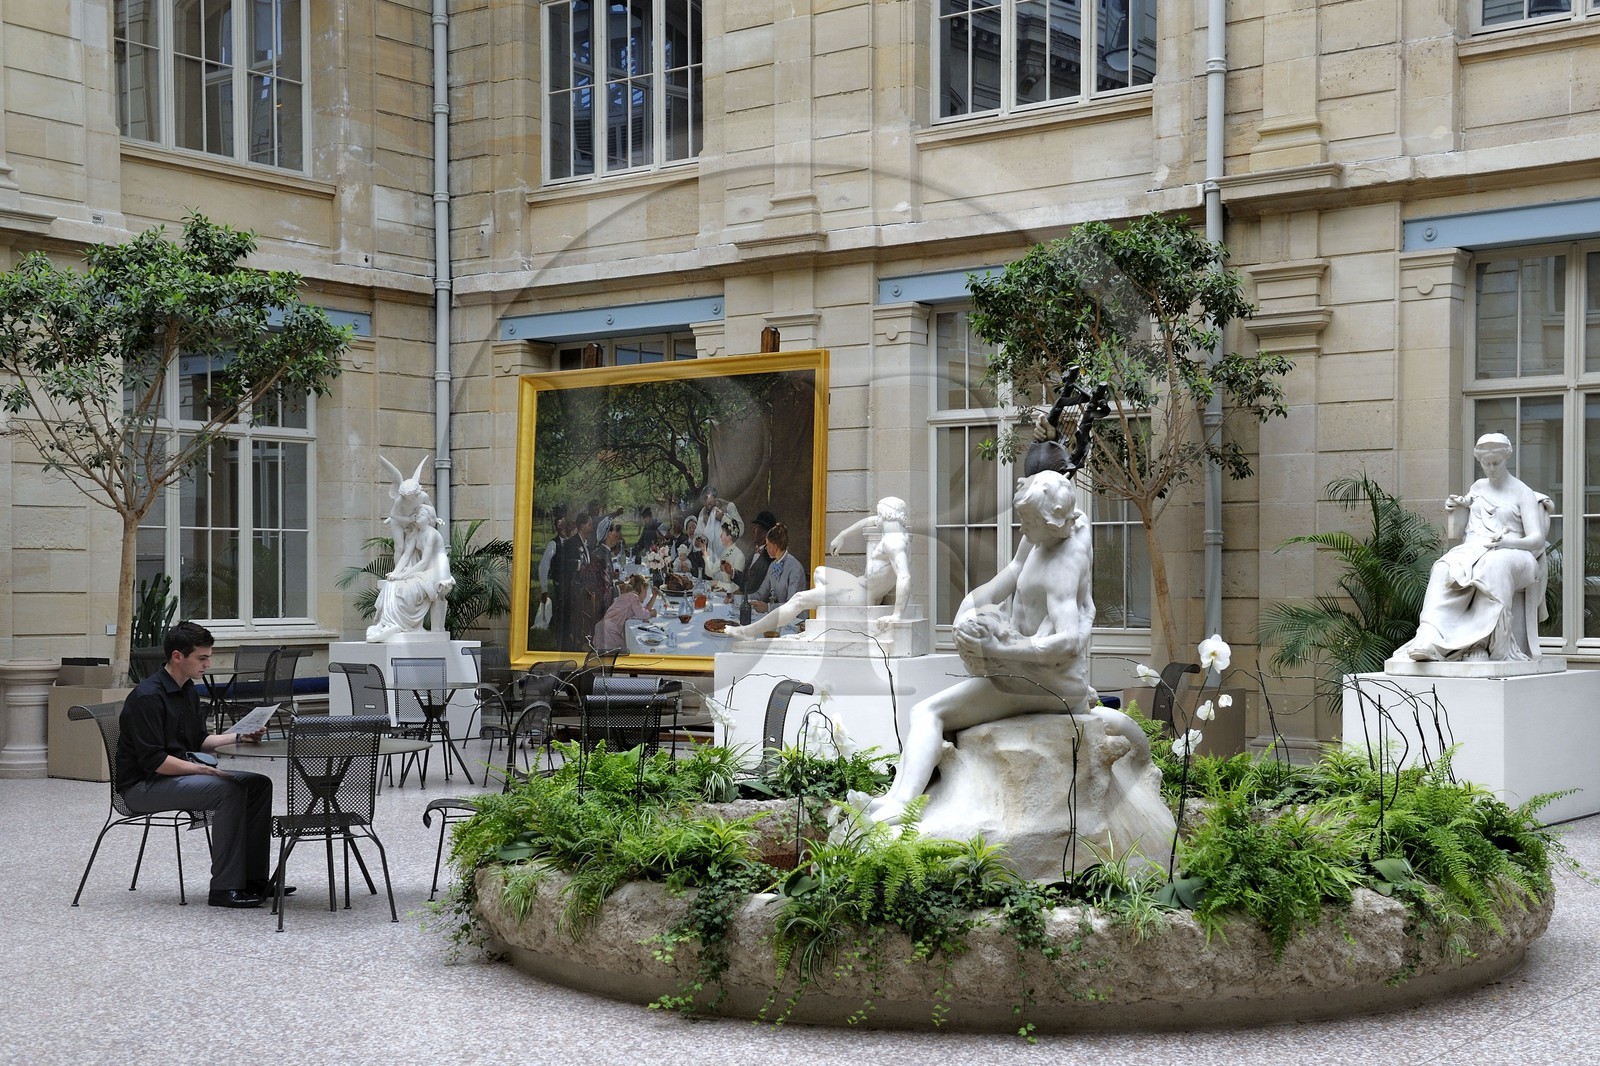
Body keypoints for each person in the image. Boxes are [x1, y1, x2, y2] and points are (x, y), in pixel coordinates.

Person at [865, 471, 1149, 825]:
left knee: (927, 712)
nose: (1021, 527)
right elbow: (1014, 570)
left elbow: (1070, 641)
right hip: (1031, 672)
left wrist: (998, 651)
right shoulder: (1057, 529)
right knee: (938, 713)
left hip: (1044, 683)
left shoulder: (1063, 563)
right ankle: (895, 796)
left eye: (1028, 521)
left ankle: (902, 804)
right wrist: (969, 606)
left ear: (1052, 521)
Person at [116, 622, 292, 909]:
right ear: (177, 656)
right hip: (142, 786)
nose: (208, 665)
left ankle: (254, 880)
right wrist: (203, 770)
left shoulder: (187, 690)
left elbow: (199, 740)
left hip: (173, 774)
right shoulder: (147, 697)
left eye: (208, 657)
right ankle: (224, 888)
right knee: (227, 790)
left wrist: (240, 736)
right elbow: (155, 761)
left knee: (259, 784)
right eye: (202, 658)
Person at [1395, 432, 1553, 662]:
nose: (1491, 468)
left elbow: (1537, 539)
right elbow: (1458, 532)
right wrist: (1456, 508)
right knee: (1442, 567)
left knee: (1493, 565)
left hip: (1518, 554)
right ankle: (1430, 639)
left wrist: (1507, 543)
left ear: (1506, 458)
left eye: (1495, 462)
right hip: (1475, 549)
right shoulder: (1478, 487)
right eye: (1485, 463)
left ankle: (1480, 644)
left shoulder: (1522, 492)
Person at [726, 499, 909, 636]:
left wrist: (897, 615)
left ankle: (748, 632)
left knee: (799, 598)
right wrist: (843, 535)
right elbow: (868, 521)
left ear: (886, 515)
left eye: (879, 514)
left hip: (862, 595)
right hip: (860, 585)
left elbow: (904, 577)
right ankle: (825, 615)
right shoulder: (893, 529)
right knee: (819, 571)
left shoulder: (894, 542)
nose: (877, 519)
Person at [367, 501, 455, 641]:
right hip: (425, 570)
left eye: (422, 514)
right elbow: (406, 555)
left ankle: (401, 625)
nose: (418, 516)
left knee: (409, 588)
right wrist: (396, 574)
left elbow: (424, 561)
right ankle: (388, 623)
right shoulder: (417, 534)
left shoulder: (432, 534)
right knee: (392, 585)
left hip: (438, 571)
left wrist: (402, 575)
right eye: (418, 513)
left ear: (430, 519)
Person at [741, 523, 807, 618]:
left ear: (775, 546)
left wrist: (767, 607)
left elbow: (792, 605)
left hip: (797, 621)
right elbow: (762, 592)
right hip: (781, 617)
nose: (766, 548)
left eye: (767, 545)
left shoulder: (794, 568)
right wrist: (743, 598)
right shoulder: (773, 565)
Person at [594, 574, 656, 651]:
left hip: (604, 627)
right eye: (646, 591)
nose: (646, 595)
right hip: (609, 632)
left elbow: (641, 610)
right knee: (627, 649)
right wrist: (651, 614)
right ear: (642, 588)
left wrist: (654, 596)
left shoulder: (627, 595)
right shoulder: (633, 597)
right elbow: (642, 614)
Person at [743, 510, 778, 596]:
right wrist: (733, 573)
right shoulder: (753, 552)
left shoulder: (770, 557)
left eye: (756, 528)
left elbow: (764, 589)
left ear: (764, 533)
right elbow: (746, 579)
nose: (753, 531)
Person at [712, 522, 746, 592]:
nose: (720, 536)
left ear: (729, 537)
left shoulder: (739, 556)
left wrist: (717, 583)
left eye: (723, 533)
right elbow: (713, 570)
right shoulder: (724, 552)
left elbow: (736, 586)